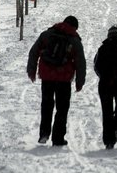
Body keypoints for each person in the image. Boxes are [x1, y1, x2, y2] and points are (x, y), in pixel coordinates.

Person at [27, 15, 86, 146]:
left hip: (47, 76)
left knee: (46, 105)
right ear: (75, 27)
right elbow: (80, 62)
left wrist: (31, 70)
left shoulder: (47, 34)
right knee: (62, 108)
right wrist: (79, 81)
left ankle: (44, 133)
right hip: (64, 79)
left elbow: (34, 52)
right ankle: (58, 138)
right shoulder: (74, 40)